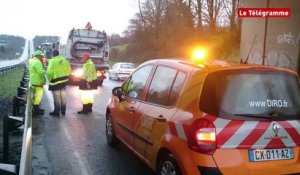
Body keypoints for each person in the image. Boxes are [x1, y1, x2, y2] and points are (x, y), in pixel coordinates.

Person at [46, 50, 71, 116]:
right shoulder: (65, 60)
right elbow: (69, 70)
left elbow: (49, 73)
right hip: (64, 81)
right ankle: (63, 111)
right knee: (63, 96)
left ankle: (57, 112)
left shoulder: (52, 61)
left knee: (57, 97)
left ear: (53, 54)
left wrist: (49, 79)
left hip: (56, 82)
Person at [29, 50, 46, 115]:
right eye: (41, 56)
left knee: (34, 96)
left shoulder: (32, 60)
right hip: (38, 82)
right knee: (38, 96)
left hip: (33, 81)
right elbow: (40, 72)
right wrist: (46, 71)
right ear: (38, 56)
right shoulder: (38, 62)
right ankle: (36, 111)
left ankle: (36, 109)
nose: (42, 57)